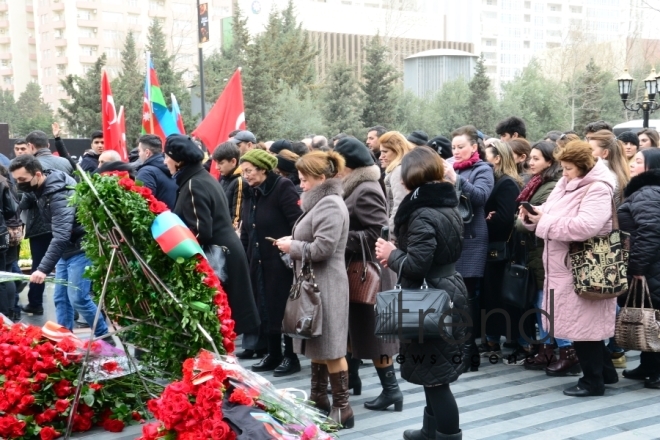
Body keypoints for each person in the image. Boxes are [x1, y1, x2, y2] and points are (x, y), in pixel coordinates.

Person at [375, 146, 467, 440]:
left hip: (432, 296)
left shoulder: (422, 213)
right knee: (434, 371)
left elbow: (417, 265)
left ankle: (446, 434)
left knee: (437, 378)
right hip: (446, 290)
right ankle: (431, 430)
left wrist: (392, 253)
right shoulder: (444, 203)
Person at [521, 140, 618, 397]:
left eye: (568, 168)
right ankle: (606, 373)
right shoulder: (567, 183)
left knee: (584, 327)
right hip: (563, 266)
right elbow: (551, 212)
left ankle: (592, 382)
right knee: (583, 325)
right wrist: (532, 215)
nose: (563, 173)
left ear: (584, 167)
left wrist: (545, 222)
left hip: (584, 266)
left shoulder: (598, 188)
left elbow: (585, 227)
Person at [275, 151, 352, 429]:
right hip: (316, 283)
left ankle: (342, 408)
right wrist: (292, 242)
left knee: (332, 348)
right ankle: (319, 399)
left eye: (305, 178)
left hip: (327, 284)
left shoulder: (330, 204)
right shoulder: (321, 202)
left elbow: (323, 248)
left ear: (321, 178)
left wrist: (291, 247)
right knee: (318, 344)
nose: (300, 183)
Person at [163, 135, 260, 337]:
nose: (165, 162)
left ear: (179, 161)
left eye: (167, 157)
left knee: (220, 326)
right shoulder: (199, 178)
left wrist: (175, 252)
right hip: (225, 252)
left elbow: (200, 230)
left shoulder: (193, 184)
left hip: (219, 257)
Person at [333, 137, 401, 410]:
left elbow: (378, 231)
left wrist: (339, 237)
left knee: (376, 336)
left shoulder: (366, 189)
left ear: (349, 166)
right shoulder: (354, 187)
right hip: (357, 269)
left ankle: (392, 391)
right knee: (353, 330)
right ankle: (352, 379)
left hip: (371, 273)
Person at [10, 155, 110, 338]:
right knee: (61, 299)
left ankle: (105, 338)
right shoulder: (40, 187)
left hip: (81, 247)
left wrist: (42, 269)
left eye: (22, 180)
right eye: (16, 180)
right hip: (66, 250)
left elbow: (62, 235)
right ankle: (66, 341)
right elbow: (20, 203)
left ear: (37, 174)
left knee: (78, 298)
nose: (19, 184)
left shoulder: (59, 194)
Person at [237, 149, 302, 375]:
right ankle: (273, 353)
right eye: (243, 171)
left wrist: (289, 245)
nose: (246, 175)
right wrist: (245, 257)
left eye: (249, 171)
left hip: (280, 260)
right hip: (258, 259)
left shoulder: (282, 187)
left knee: (282, 308)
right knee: (264, 306)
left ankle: (290, 356)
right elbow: (247, 226)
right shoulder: (250, 190)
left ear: (263, 169)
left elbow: (297, 222)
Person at [514, 142, 572, 374]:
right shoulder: (535, 183)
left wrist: (521, 219)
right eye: (531, 158)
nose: (531, 162)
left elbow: (528, 221)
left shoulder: (551, 186)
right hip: (537, 253)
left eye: (537, 158)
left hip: (546, 252)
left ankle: (566, 350)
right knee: (542, 303)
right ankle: (548, 349)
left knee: (547, 303)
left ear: (550, 161)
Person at [446, 125, 494, 372]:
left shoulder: (482, 169)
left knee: (468, 297)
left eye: (461, 146)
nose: (456, 151)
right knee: (453, 297)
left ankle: (469, 352)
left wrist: (456, 180)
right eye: (453, 147)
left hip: (472, 239)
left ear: (474, 147)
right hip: (451, 238)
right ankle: (460, 349)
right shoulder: (448, 165)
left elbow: (480, 197)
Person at [478, 140, 525, 362]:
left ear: (497, 158)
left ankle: (516, 343)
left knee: (502, 297)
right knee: (493, 296)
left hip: (501, 251)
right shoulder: (497, 181)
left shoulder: (507, 183)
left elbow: (504, 218)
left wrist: (485, 221)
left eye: (486, 155)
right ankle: (493, 340)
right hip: (492, 249)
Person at [617, 147, 660, 390]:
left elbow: (651, 232)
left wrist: (636, 266)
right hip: (650, 265)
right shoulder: (645, 192)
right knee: (651, 317)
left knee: (655, 318)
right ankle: (649, 366)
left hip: (651, 266)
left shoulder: (648, 193)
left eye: (639, 161)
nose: (632, 164)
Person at [19, 131, 73, 316]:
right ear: (48, 145)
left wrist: (16, 211)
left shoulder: (33, 167)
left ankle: (35, 303)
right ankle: (70, 308)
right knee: (64, 266)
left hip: (41, 224)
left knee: (39, 266)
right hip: (67, 220)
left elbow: (27, 197)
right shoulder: (64, 163)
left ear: (31, 147)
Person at [378, 131, 412, 239]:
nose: (380, 157)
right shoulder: (403, 168)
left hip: (400, 233)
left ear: (397, 151)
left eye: (385, 152)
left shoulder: (398, 171)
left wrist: (391, 235)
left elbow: (399, 205)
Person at [587, 130, 630, 206]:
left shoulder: (604, 178)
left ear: (605, 153)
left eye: (590, 150)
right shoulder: (615, 173)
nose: (586, 153)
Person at [136, 134, 178, 210]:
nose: (138, 154)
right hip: (173, 219)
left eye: (139, 151)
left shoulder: (145, 172)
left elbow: (141, 204)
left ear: (147, 152)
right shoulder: (171, 167)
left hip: (158, 220)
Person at [212, 141, 245, 229]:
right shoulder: (223, 178)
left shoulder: (239, 181)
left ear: (233, 161)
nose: (217, 167)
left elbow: (237, 216)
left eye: (221, 163)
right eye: (216, 163)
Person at [0, 165, 17, 319]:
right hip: (1, 233)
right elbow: (11, 209)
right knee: (3, 276)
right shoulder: (2, 181)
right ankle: (5, 317)